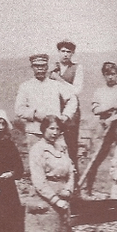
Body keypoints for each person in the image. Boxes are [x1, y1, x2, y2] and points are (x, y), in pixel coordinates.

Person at [25, 115, 75, 232]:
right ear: (43, 129)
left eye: (58, 129)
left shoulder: (62, 148)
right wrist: (55, 200)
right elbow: (38, 181)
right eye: (51, 128)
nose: (55, 132)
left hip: (63, 195)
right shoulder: (37, 150)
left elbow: (71, 170)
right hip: (45, 199)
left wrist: (69, 189)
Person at [85, 62, 117, 196]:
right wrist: (111, 106)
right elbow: (95, 109)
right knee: (96, 157)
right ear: (104, 75)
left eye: (113, 74)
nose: (110, 77)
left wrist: (112, 118)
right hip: (103, 126)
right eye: (107, 74)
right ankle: (88, 189)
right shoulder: (99, 91)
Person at [14, 54, 77, 151]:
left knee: (59, 162)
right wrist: (35, 114)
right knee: (37, 163)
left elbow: (72, 99)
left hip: (55, 133)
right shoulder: (25, 86)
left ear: (47, 67)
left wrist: (66, 115)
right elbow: (19, 109)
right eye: (37, 66)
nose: (40, 69)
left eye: (43, 66)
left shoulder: (55, 84)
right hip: (35, 133)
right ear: (32, 67)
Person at [49, 40, 83, 172]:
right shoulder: (52, 68)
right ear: (58, 52)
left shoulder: (77, 68)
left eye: (68, 52)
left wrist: (59, 79)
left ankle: (74, 186)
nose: (65, 54)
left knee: (71, 147)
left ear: (72, 53)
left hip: (71, 114)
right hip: (55, 111)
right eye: (62, 51)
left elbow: (77, 90)